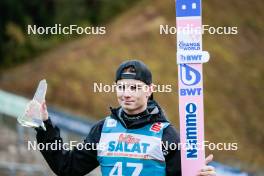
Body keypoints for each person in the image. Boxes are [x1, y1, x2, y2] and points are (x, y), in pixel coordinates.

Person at [36, 60, 216, 176]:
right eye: (121, 87)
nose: (126, 94)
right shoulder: (103, 129)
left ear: (149, 90)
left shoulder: (165, 134)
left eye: (134, 88)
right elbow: (67, 168)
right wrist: (44, 124)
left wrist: (198, 174)